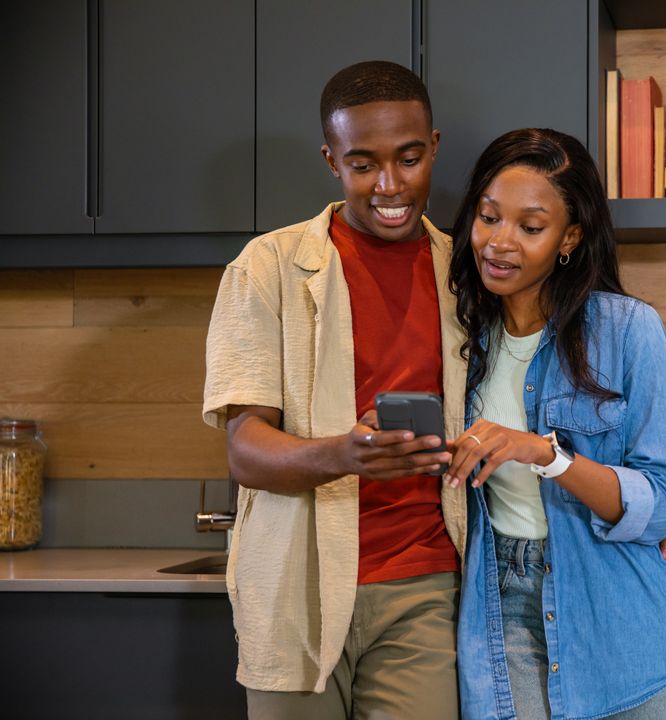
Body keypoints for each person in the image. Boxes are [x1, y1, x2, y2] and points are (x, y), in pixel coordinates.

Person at [202, 60, 466, 720]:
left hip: (423, 586)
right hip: (299, 583)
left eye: (409, 159)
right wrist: (344, 454)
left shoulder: (466, 271)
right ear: (331, 161)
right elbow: (246, 453)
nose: (390, 185)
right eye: (362, 164)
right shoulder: (266, 268)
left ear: (434, 145)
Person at [445, 128, 666, 720]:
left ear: (570, 236)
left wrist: (547, 455)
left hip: (621, 620)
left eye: (530, 227)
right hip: (498, 612)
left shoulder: (628, 330)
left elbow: (663, 501)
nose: (499, 243)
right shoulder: (457, 338)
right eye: (488, 217)